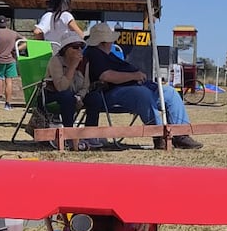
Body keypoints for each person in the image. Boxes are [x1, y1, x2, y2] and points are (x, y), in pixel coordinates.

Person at [82, 22, 203, 150]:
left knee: (169, 92)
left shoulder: (108, 54)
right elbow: (106, 76)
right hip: (110, 93)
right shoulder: (94, 54)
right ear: (104, 42)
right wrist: (134, 76)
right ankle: (159, 135)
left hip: (132, 88)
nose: (112, 43)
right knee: (141, 94)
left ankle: (181, 135)